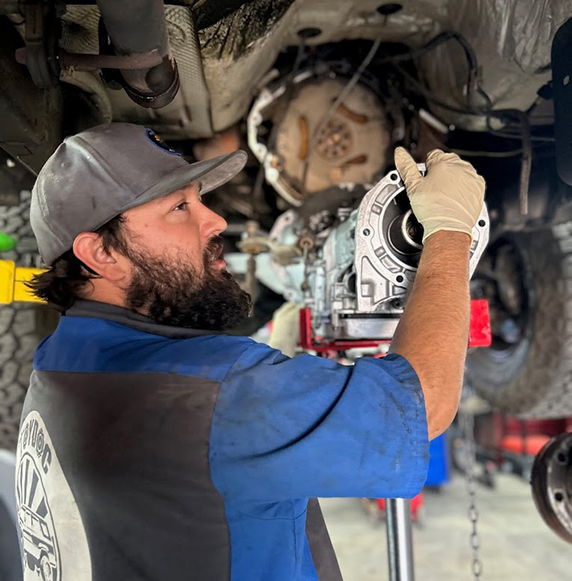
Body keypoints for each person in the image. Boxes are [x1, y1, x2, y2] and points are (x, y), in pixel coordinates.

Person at [16, 123, 485, 581]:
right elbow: (423, 405)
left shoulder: (58, 364)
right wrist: (448, 233)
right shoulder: (208, 392)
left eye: (200, 199)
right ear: (101, 255)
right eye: (180, 207)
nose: (216, 220)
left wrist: (270, 380)